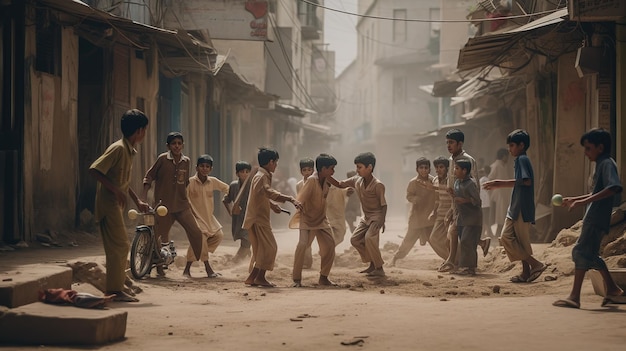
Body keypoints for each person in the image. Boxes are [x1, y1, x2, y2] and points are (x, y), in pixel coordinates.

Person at [553, 128, 624, 309]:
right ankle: (613, 290)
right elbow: (596, 192)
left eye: (588, 148)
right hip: (594, 217)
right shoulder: (601, 164)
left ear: (600, 147)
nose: (585, 153)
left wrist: (582, 201)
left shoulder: (607, 163)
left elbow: (614, 187)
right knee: (591, 256)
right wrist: (575, 199)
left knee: (580, 252)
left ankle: (574, 297)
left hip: (596, 218)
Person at [88, 109, 150, 302]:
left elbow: (122, 181)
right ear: (139, 131)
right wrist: (115, 191)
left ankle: (116, 287)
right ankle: (114, 291)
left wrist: (136, 200)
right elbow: (95, 170)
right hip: (108, 205)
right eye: (144, 129)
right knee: (121, 246)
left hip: (116, 205)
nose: (145, 133)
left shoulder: (129, 150)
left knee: (118, 247)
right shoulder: (118, 149)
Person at [484, 130, 547, 283]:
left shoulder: (522, 160)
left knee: (507, 237)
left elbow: (527, 181)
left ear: (521, 145)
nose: (509, 149)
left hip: (521, 208)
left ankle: (536, 264)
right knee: (515, 240)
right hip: (516, 206)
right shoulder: (519, 159)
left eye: (512, 145)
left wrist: (499, 184)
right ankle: (526, 272)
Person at [142, 132, 203, 276]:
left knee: (196, 232)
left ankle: (194, 261)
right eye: (174, 143)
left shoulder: (186, 161)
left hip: (182, 205)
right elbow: (149, 176)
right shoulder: (162, 159)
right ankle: (158, 268)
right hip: (163, 206)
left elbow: (186, 182)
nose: (176, 146)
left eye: (179, 143)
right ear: (168, 146)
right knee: (160, 238)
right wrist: (143, 196)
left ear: (183, 145)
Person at [243, 147, 302, 287]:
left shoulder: (261, 175)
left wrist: (272, 205)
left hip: (258, 217)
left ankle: (253, 277)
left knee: (263, 249)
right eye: (275, 162)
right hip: (258, 218)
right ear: (270, 162)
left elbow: (261, 195)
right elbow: (268, 191)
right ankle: (260, 277)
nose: (276, 165)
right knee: (270, 247)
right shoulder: (262, 176)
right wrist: (290, 199)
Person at [439, 129, 490, 273]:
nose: (448, 145)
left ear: (460, 143)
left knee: (462, 235)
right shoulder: (450, 160)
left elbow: (474, 186)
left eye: (451, 143)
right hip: (456, 205)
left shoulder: (468, 160)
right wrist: (451, 208)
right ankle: (458, 260)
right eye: (447, 143)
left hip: (467, 207)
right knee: (457, 233)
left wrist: (469, 202)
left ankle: (463, 265)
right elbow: (452, 185)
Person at [331, 152, 387, 277]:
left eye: (359, 167)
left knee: (369, 238)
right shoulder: (357, 180)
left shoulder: (378, 185)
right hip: (365, 217)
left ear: (370, 167)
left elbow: (384, 205)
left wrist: (382, 221)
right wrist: (325, 175)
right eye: (356, 167)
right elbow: (340, 184)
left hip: (376, 217)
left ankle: (379, 268)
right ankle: (373, 264)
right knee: (355, 240)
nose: (357, 170)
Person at [291, 154, 338, 287]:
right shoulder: (312, 180)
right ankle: (296, 279)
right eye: (332, 168)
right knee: (302, 245)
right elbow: (301, 198)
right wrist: (297, 203)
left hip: (322, 219)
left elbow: (340, 185)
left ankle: (323, 277)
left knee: (330, 245)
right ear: (323, 169)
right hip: (307, 219)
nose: (333, 171)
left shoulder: (327, 179)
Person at [182, 155, 229, 278]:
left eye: (207, 166)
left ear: (211, 169)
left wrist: (231, 197)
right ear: (196, 167)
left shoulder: (212, 181)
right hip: (195, 217)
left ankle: (189, 266)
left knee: (218, 236)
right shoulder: (190, 182)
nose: (204, 168)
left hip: (209, 217)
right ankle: (208, 268)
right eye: (202, 166)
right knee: (200, 238)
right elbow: (185, 199)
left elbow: (227, 188)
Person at [390, 157, 436, 266]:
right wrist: (414, 199)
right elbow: (408, 195)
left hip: (430, 218)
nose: (424, 170)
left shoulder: (434, 181)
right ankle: (395, 259)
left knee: (436, 241)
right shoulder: (413, 182)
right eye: (421, 168)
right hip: (416, 218)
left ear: (429, 169)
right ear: (417, 169)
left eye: (426, 168)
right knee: (408, 241)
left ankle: (451, 260)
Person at [452, 158, 482, 276]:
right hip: (462, 217)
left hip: (473, 218)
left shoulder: (470, 184)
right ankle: (465, 266)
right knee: (463, 241)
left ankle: (471, 268)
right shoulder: (457, 182)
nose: (454, 170)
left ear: (464, 171)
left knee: (467, 241)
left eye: (457, 168)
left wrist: (464, 200)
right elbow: (457, 197)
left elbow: (477, 201)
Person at [223, 161, 253, 263]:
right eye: (242, 172)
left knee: (247, 240)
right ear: (237, 174)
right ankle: (236, 263)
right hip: (239, 219)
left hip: (250, 218)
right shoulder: (234, 186)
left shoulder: (253, 185)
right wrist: (231, 212)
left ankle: (239, 260)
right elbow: (226, 200)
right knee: (246, 240)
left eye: (247, 171)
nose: (245, 174)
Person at [428, 157, 453, 263]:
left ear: (447, 168)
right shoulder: (435, 180)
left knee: (451, 240)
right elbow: (437, 199)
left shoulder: (450, 181)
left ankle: (455, 261)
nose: (438, 170)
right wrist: (433, 211)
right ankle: (450, 260)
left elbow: (454, 199)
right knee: (433, 239)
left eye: (441, 167)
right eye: (436, 167)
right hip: (440, 215)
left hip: (451, 215)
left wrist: (451, 213)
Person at [489, 148, 513, 237]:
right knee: (500, 215)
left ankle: (501, 234)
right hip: (499, 194)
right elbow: (491, 178)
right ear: (503, 156)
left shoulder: (503, 166)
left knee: (503, 214)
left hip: (504, 193)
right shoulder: (496, 165)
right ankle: (498, 234)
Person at [296, 157, 315, 269]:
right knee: (303, 241)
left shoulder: (316, 183)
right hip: (303, 215)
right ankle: (304, 262)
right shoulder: (299, 184)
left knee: (309, 242)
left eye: (309, 170)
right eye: (304, 170)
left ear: (313, 170)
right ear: (301, 171)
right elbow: (298, 198)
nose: (307, 172)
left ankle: (308, 262)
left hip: (315, 216)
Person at [479, 166, 495, 239]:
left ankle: (484, 233)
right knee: (486, 218)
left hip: (482, 202)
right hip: (487, 202)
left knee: (483, 218)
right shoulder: (489, 180)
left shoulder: (481, 180)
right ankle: (488, 233)